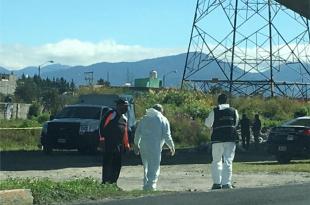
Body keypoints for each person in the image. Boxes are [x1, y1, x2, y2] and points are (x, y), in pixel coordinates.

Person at [134, 104, 175, 191]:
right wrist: (172, 146)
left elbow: (138, 133)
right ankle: (151, 186)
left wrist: (136, 144)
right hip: (154, 146)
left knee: (146, 166)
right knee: (154, 166)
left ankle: (145, 185)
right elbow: (167, 135)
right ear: (161, 111)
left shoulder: (144, 118)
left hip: (143, 146)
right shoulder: (162, 119)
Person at [205, 93, 239, 190]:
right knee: (228, 161)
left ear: (218, 101)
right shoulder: (234, 111)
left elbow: (207, 124)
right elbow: (236, 123)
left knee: (216, 161)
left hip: (217, 139)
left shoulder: (214, 111)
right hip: (230, 139)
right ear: (227, 101)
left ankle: (217, 183)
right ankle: (226, 183)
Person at [99, 98, 130, 185]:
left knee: (117, 164)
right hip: (108, 143)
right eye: (125, 106)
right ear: (119, 106)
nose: (126, 108)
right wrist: (102, 140)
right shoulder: (111, 114)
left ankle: (113, 183)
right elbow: (102, 126)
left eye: (127, 106)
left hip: (119, 145)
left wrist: (127, 145)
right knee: (108, 163)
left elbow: (125, 133)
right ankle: (105, 183)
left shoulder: (124, 119)